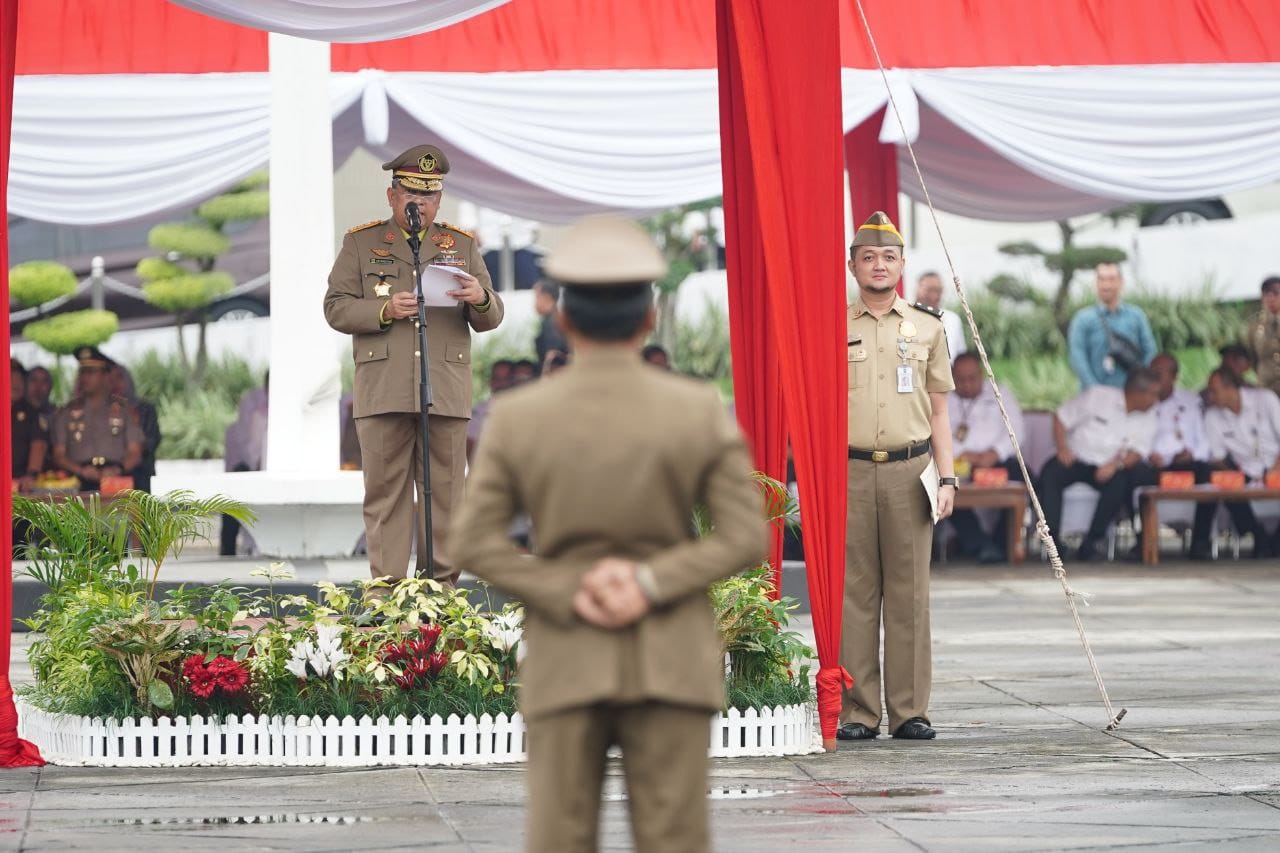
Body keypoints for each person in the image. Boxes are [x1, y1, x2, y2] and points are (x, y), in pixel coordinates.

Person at [450, 215, 765, 853]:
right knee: (674, 838)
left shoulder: (517, 417)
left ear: (563, 319)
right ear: (649, 317)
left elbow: (471, 543)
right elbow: (743, 536)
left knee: (560, 839)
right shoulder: (696, 409)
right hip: (672, 657)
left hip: (567, 656)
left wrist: (571, 588)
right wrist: (648, 581)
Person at [323, 143, 504, 586]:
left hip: (443, 386)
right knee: (386, 494)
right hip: (383, 387)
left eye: (427, 194)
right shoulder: (362, 243)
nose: (417, 202)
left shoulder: (460, 246)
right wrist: (384, 311)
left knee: (445, 493)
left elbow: (492, 315)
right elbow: (335, 307)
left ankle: (440, 592)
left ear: (439, 200)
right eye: (409, 193)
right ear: (392, 195)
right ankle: (387, 594)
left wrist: (479, 298)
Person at [840, 211, 956, 743]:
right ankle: (859, 712)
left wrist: (949, 479)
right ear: (852, 265)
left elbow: (939, 413)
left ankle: (910, 710)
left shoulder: (929, 327)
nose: (879, 265)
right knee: (855, 596)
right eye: (868, 257)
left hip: (912, 471)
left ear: (903, 265)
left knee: (910, 595)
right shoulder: (834, 327)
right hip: (852, 472)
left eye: (889, 257)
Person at [1038, 368, 1161, 561]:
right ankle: (1052, 543)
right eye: (1153, 394)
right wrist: (1062, 448)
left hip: (1108, 466)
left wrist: (1116, 464)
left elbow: (1138, 452)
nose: (1156, 399)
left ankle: (1092, 542)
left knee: (1120, 483)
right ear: (1136, 392)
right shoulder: (1098, 396)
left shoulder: (1150, 415)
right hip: (1075, 458)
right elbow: (1061, 417)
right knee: (1050, 474)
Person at [946, 352, 1024, 563]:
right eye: (961, 380)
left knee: (1027, 480)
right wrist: (962, 454)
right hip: (959, 462)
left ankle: (1000, 544)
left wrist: (994, 453)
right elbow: (934, 432)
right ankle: (979, 544)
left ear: (980, 374)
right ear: (953, 377)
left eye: (972, 378)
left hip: (995, 461)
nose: (967, 385)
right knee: (943, 485)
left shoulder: (1000, 393)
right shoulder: (944, 397)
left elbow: (1016, 429)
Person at [1203, 368, 1280, 558]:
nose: (1211, 397)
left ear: (1230, 388)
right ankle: (1257, 534)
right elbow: (1217, 457)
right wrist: (1233, 475)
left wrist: (1276, 469)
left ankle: (1277, 540)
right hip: (1243, 473)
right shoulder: (1212, 416)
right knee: (1225, 488)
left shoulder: (1265, 400)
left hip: (1276, 465)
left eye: (1215, 391)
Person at [1147, 353, 1215, 560]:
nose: (1154, 378)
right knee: (1132, 476)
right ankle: (1142, 541)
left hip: (1185, 463)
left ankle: (1201, 542)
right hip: (1153, 465)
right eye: (1152, 373)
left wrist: (1192, 453)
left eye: (1159, 373)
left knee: (1208, 474)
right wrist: (1149, 456)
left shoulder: (1190, 401)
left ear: (1174, 376)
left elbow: (1203, 441)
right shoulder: (1143, 400)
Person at [50, 347, 143, 492]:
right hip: (77, 480)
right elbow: (59, 455)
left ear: (106, 376)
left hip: (115, 479)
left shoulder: (124, 411)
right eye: (82, 372)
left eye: (92, 372)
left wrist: (118, 469)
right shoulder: (66, 412)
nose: (85, 377)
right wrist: (81, 470)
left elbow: (135, 452)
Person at [1067, 262, 1157, 388]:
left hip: (1130, 395)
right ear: (1095, 283)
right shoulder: (1082, 319)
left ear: (1121, 282)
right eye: (1101, 279)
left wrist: (1140, 383)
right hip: (1092, 398)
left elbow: (1150, 351)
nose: (1106, 285)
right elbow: (1077, 357)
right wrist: (1095, 390)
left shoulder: (1136, 316)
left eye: (1111, 279)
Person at [107, 361, 160, 493]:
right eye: (110, 379)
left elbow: (151, 440)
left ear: (128, 380)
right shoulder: (101, 412)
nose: (114, 383)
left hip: (139, 476)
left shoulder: (144, 409)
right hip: (108, 478)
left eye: (119, 377)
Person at [10, 361, 48, 491]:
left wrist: (31, 475)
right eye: (11, 378)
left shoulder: (31, 413)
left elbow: (38, 445)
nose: (16, 383)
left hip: (20, 484)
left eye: (19, 378)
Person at [914, 271, 966, 362]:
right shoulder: (905, 316)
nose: (934, 295)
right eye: (929, 290)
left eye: (938, 290)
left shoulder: (953, 319)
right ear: (918, 290)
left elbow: (960, 356)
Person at [1243, 276, 1280, 397]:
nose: (1271, 298)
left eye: (1276, 293)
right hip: (1267, 389)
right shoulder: (1254, 328)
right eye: (1266, 294)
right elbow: (1253, 358)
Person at [532, 280, 569, 373]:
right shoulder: (554, 319)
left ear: (547, 297)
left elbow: (552, 355)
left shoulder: (552, 322)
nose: (534, 302)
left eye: (537, 297)